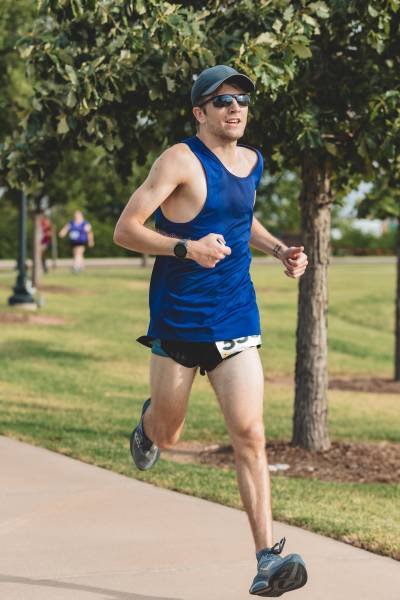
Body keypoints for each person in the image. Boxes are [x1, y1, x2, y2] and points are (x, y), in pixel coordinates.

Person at [114, 65, 309, 597]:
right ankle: (149, 425)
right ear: (200, 112)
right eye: (223, 100)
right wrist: (185, 247)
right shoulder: (179, 160)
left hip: (235, 315)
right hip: (179, 319)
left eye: (242, 99)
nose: (235, 108)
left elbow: (241, 217)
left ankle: (267, 560)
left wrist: (279, 250)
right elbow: (126, 229)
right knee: (169, 433)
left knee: (250, 434)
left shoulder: (252, 161)